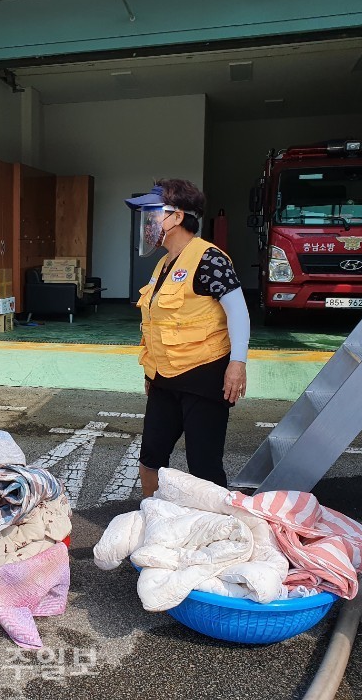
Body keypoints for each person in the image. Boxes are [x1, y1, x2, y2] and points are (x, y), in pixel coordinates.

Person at [126, 179, 250, 495]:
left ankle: (217, 530)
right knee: (149, 457)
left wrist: (237, 364)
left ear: (178, 217)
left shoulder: (209, 258)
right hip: (164, 378)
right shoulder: (164, 262)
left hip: (204, 377)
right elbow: (159, 322)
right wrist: (150, 371)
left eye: (153, 213)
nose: (148, 222)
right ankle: (151, 515)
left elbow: (238, 312)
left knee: (204, 466)